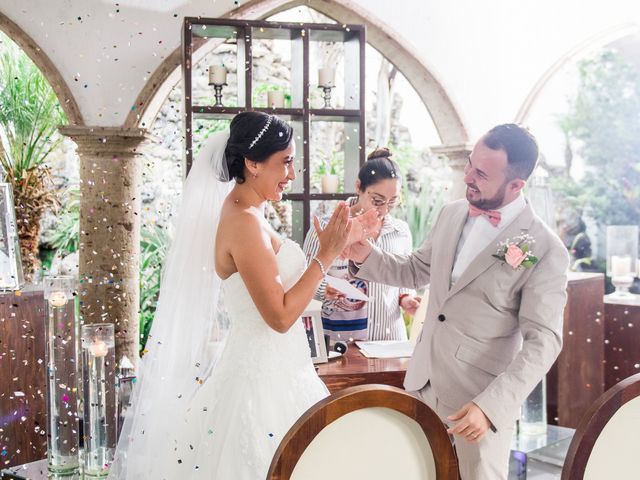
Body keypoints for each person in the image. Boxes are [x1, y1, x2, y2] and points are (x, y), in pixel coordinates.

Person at [109, 112, 376, 479]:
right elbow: (279, 316)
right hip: (261, 384)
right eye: (285, 162)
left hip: (285, 372)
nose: (292, 175)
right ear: (252, 163)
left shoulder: (252, 213)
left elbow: (274, 289)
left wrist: (331, 267)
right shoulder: (243, 221)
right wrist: (326, 255)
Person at [345, 124, 569, 480]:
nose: (468, 177)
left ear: (516, 185)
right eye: (469, 164)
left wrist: (491, 406)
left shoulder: (545, 249)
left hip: (476, 406)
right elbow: (417, 268)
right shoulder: (452, 213)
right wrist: (365, 254)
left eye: (481, 173)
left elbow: (544, 342)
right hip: (420, 385)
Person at [303, 147, 421, 342]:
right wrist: (325, 290)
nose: (384, 209)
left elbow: (402, 280)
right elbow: (303, 281)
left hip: (389, 344)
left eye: (392, 202)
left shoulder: (401, 231)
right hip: (339, 345)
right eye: (377, 200)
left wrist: (406, 299)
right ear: (359, 187)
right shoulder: (326, 228)